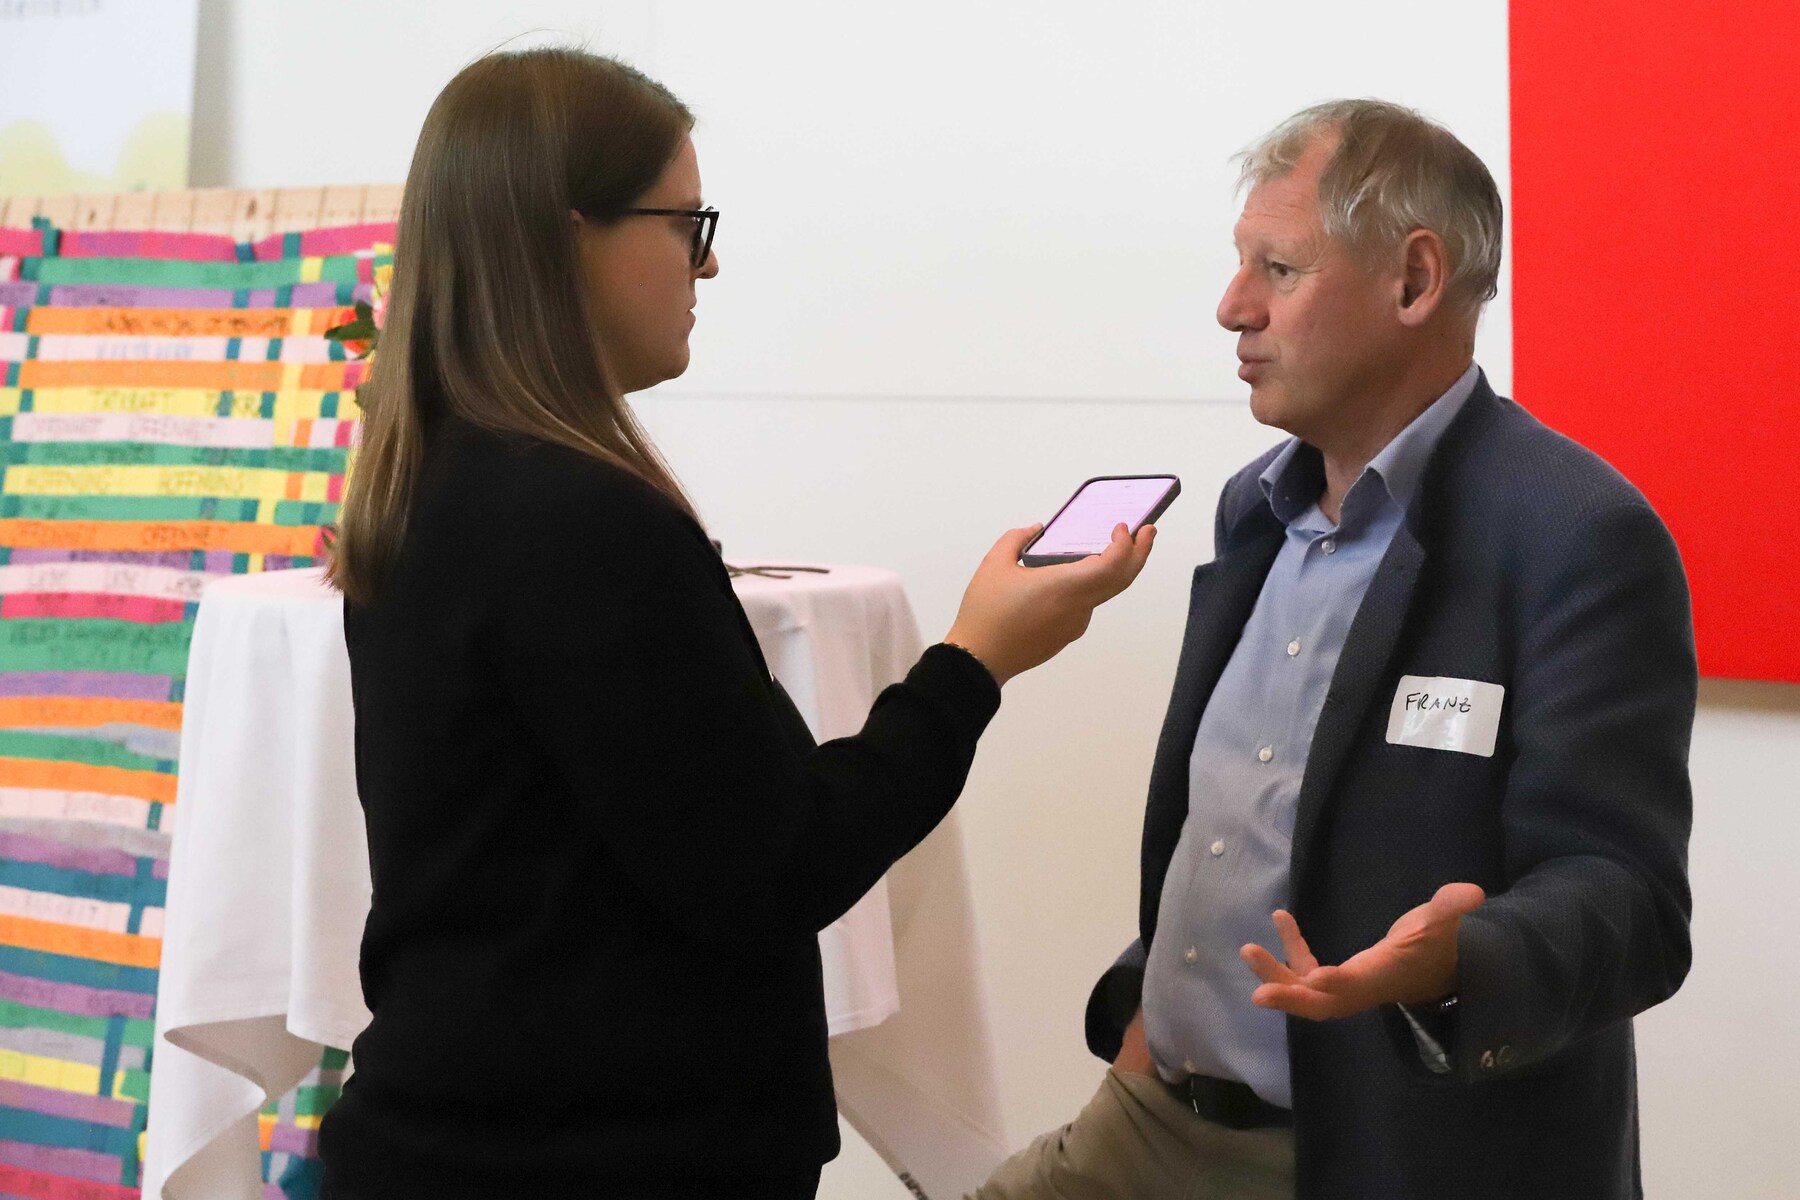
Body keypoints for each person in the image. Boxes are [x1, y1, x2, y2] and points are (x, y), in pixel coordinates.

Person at [316, 48, 1153, 1200]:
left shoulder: (436, 483)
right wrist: (975, 662)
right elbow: (776, 866)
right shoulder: (577, 517)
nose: (708, 261)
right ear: (569, 236)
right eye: (685, 223)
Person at [974, 99, 1695, 1200]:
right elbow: (1238, 823)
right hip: (1159, 1112)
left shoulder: (1574, 533)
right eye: (1239, 264)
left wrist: (1461, 962)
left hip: (1395, 1151)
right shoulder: (1252, 511)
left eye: (1279, 268)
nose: (1233, 307)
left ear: (1414, 281)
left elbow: (1631, 900)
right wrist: (1149, 1008)